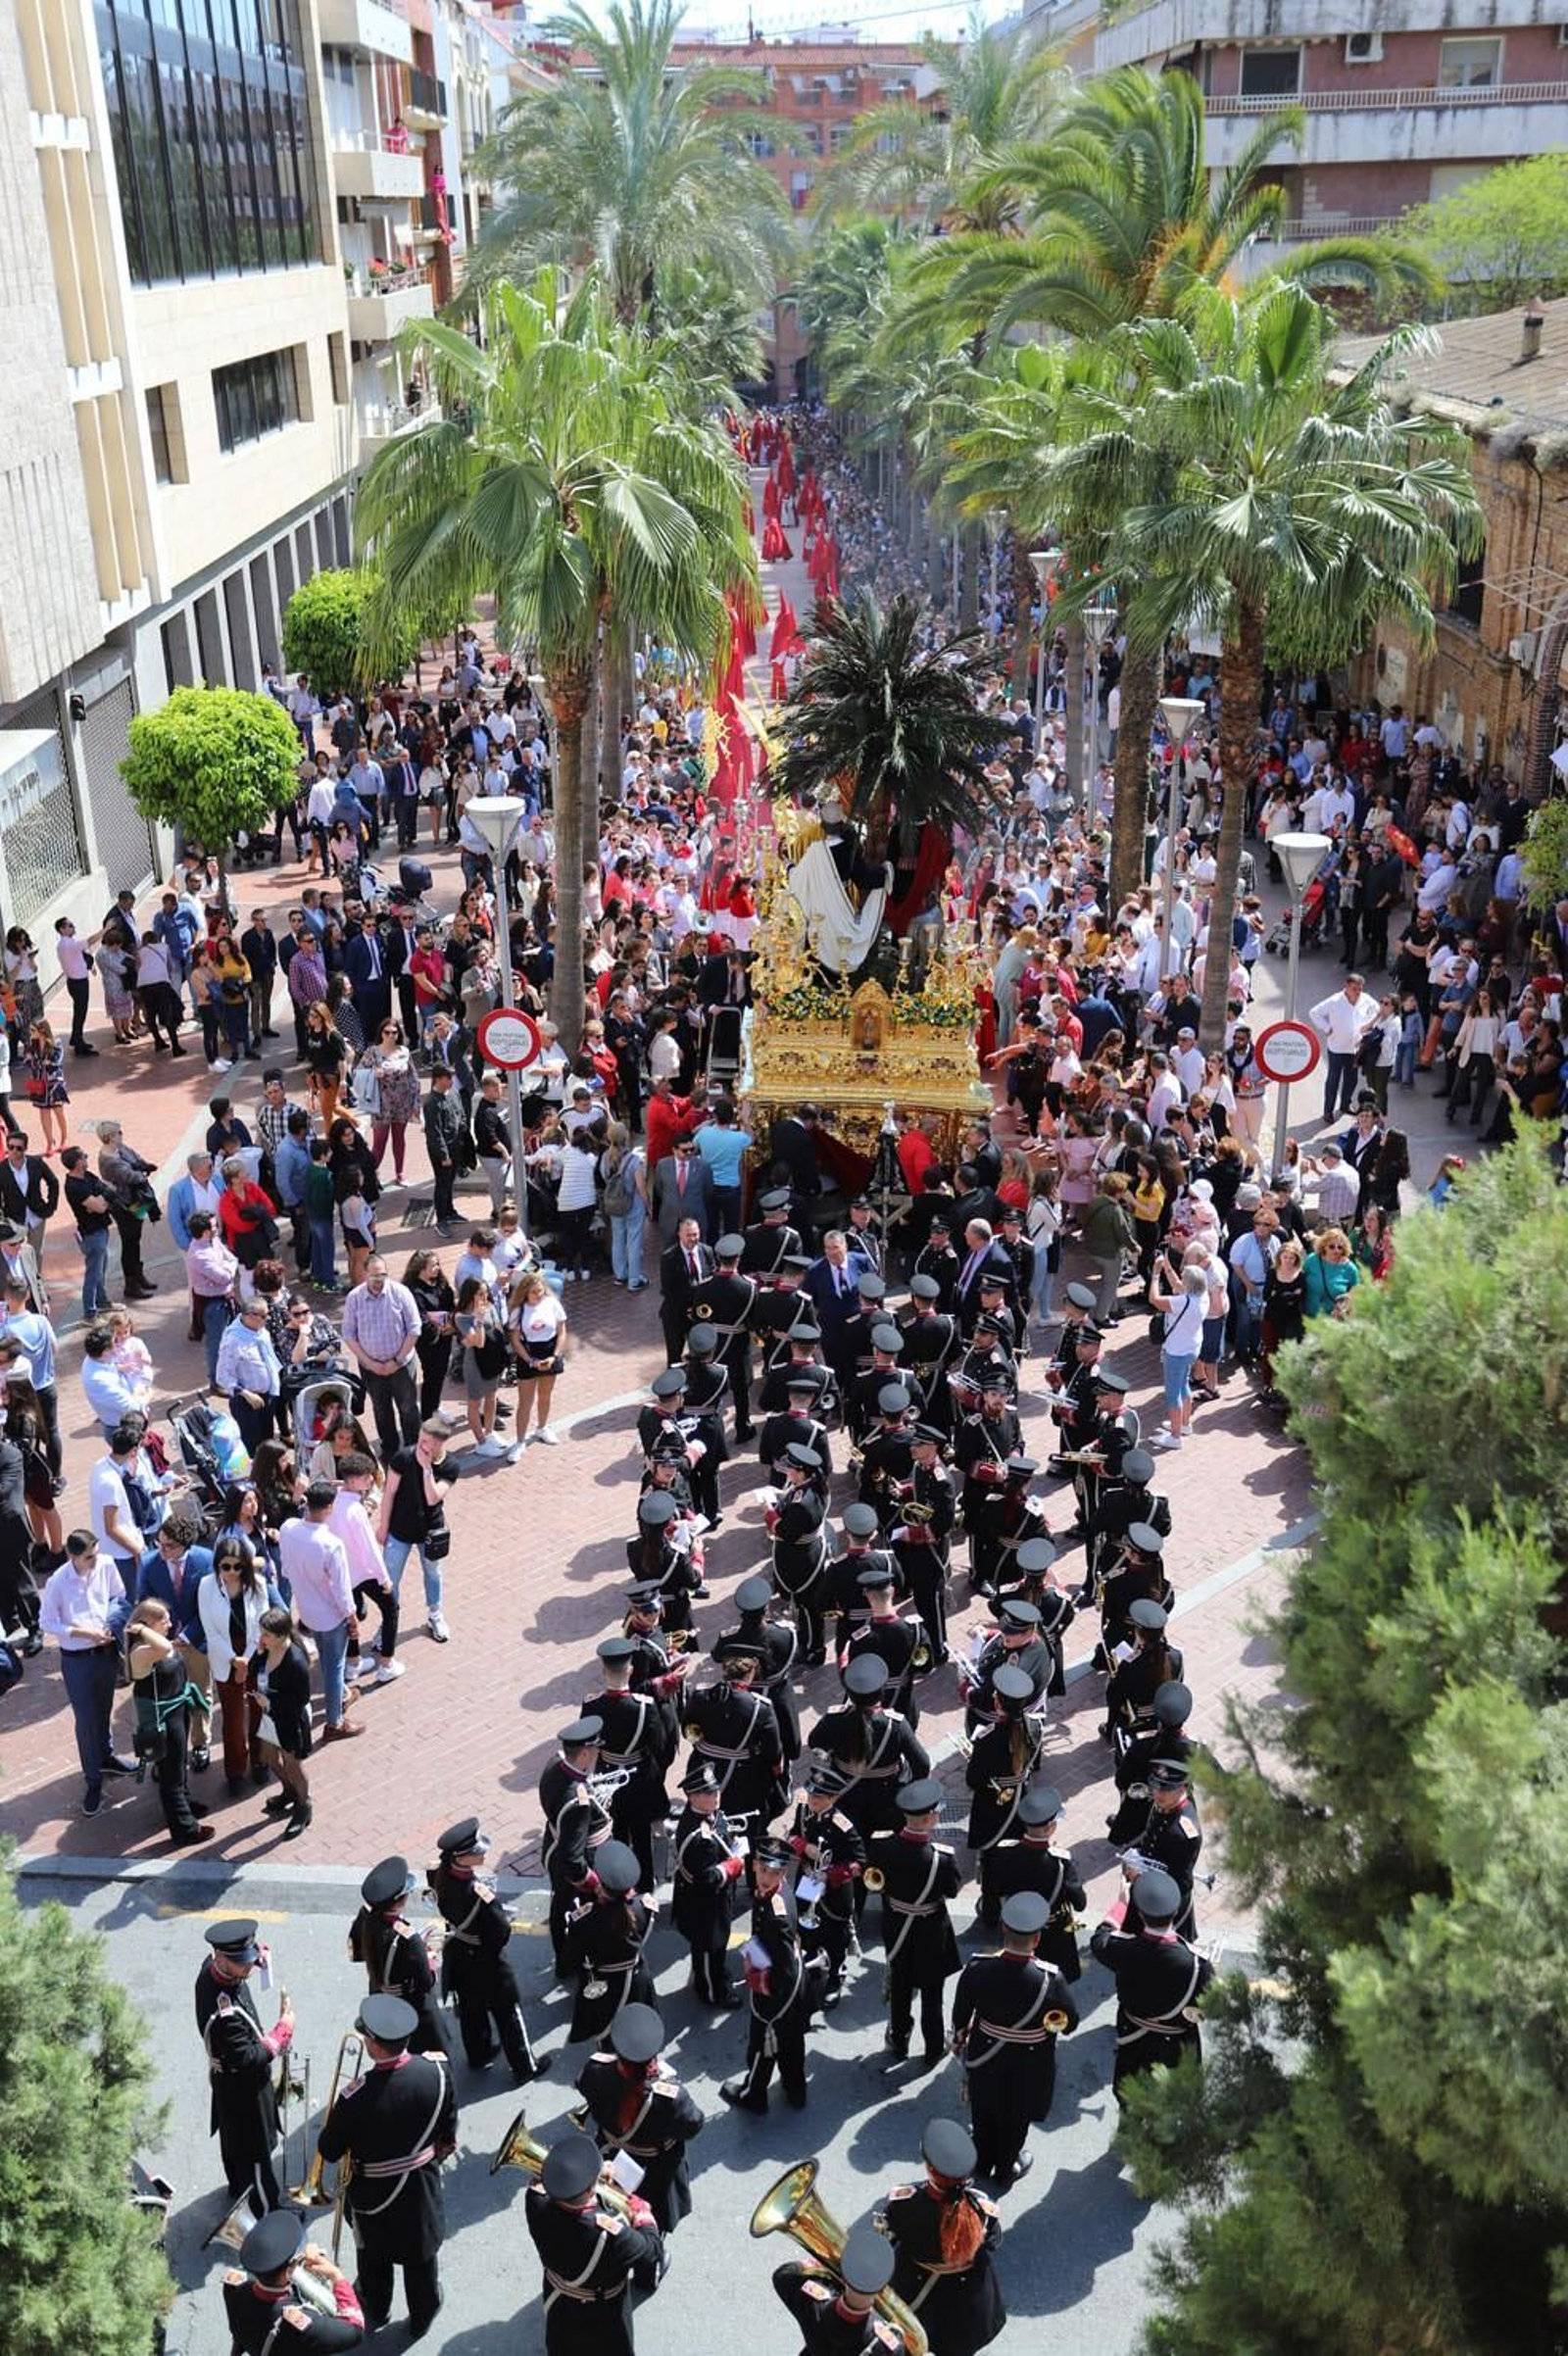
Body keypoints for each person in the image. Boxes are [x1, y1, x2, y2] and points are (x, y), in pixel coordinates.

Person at [316, 1993, 457, 2343]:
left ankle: (377, 2307)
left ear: (372, 2044)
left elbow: (329, 2150)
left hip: (372, 2197)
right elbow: (447, 2131)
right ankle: (422, 2315)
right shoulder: (437, 2072)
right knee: (421, 2260)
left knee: (373, 2255)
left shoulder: (354, 2097)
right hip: (421, 2186)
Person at [951, 1890, 1079, 2184]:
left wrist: (960, 2039)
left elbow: (960, 2016)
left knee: (982, 2108)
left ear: (1004, 1930)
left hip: (986, 2051)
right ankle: (1006, 2169)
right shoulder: (1051, 1978)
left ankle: (982, 2164)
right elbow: (1070, 2023)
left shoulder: (978, 1968)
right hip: (1030, 2060)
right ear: (1037, 1939)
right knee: (1017, 2115)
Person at [572, 2001, 704, 2247]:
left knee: (610, 2211)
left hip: (608, 2156)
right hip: (655, 2170)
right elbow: (693, 2125)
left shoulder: (595, 2068)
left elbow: (582, 2085)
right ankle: (650, 2268)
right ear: (653, 2057)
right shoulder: (671, 2097)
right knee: (651, 2224)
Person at [524, 2127, 663, 2356]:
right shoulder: (610, 2236)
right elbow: (651, 2251)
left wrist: (593, 2181)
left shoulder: (535, 2201)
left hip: (558, 2297)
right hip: (603, 2311)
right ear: (590, 2189)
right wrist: (640, 2211)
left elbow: (549, 2181)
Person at [878, 2117, 1006, 2356]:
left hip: (913, 2289)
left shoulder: (904, 2202)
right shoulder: (983, 2209)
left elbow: (890, 2231)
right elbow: (993, 2242)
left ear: (929, 2168)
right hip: (966, 2303)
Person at [194, 1916, 295, 2218]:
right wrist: (282, 2032)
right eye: (243, 1962)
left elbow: (231, 1964)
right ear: (222, 1960)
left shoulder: (211, 1971)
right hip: (244, 2088)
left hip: (225, 2082)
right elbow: (247, 2058)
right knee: (255, 2153)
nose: (249, 1966)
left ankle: (238, 2186)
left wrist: (254, 1960)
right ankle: (268, 2214)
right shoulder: (225, 2014)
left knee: (233, 2140)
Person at [428, 1816, 541, 2081]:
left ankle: (479, 2055)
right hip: (487, 1961)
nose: (482, 1854)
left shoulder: (439, 1873)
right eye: (475, 1852)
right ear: (462, 1857)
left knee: (470, 2009)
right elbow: (501, 1932)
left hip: (459, 1954)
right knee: (508, 2013)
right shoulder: (479, 1895)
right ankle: (525, 2067)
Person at [1090, 1863, 1214, 2097]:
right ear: (1176, 1912)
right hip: (1177, 2051)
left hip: (1134, 2042)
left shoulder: (1123, 1949)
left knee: (1130, 2110)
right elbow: (1207, 2009)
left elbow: (1099, 1939)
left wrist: (1120, 1905)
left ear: (1139, 1914)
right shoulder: (1198, 1964)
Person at [721, 1832, 815, 2114]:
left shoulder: (777, 1915)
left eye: (774, 1873)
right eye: (763, 1869)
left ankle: (754, 2095)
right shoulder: (778, 1891)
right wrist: (754, 1952)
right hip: (794, 1985)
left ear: (783, 1873)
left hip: (777, 1993)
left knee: (762, 2046)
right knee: (792, 2043)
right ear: (753, 1865)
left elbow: (783, 1967)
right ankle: (795, 2089)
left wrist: (760, 1980)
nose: (766, 1877)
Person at [278, 1480, 361, 1745]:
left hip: (306, 1609)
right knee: (334, 1664)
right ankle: (335, 1722)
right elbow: (342, 1588)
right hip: (331, 1615)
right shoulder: (330, 1544)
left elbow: (286, 1567)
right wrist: (352, 1616)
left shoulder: (289, 1528)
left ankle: (340, 1694)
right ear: (328, 1508)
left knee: (327, 1660)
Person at [123, 1595, 211, 1845]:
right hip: (163, 1716)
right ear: (146, 1625)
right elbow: (162, 1649)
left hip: (177, 1708)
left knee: (180, 1761)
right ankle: (184, 1828)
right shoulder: (140, 1652)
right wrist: (139, 1630)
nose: (170, 1623)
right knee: (170, 1771)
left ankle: (183, 1802)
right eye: (163, 1620)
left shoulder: (160, 1643)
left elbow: (167, 1648)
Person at [220, 2207, 365, 2351]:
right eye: (297, 2256)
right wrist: (336, 2276)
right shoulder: (302, 2326)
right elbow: (356, 2331)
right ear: (287, 2271)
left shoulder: (232, 2286)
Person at [198, 1537, 278, 1794]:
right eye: (226, 1567)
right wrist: (234, 1659)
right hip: (225, 1656)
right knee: (232, 1718)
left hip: (255, 1652)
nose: (232, 1572)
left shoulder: (259, 1585)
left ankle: (259, 1760)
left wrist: (246, 1658)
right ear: (217, 1566)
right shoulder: (206, 1587)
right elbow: (210, 1632)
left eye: (238, 1567)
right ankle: (235, 1770)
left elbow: (262, 1624)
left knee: (259, 1710)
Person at [350, 1856, 450, 2056]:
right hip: (410, 2004)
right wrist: (428, 1954)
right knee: (435, 2053)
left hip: (379, 1993)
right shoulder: (408, 1938)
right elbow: (426, 1981)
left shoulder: (366, 1918)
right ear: (398, 1901)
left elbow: (357, 1953)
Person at [377, 1418, 457, 1645]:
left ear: (440, 1444)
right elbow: (389, 1494)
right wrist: (383, 1527)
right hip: (399, 1530)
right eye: (421, 1439)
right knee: (390, 1579)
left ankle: (435, 1614)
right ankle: (387, 1622)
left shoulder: (450, 1466)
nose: (420, 1445)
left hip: (430, 1531)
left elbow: (433, 1497)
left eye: (426, 1442)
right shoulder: (402, 1458)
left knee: (433, 1573)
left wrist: (426, 1470)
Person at [772, 2221, 903, 2356]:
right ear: (882, 2288)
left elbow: (784, 2274)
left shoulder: (813, 2302)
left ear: (844, 2276)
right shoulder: (889, 2347)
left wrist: (828, 2266)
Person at [342, 1254, 422, 1459]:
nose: (380, 1279)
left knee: (408, 1408)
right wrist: (370, 1363)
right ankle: (390, 1450)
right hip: (372, 1369)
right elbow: (349, 1335)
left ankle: (414, 1448)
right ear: (365, 1273)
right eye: (375, 1275)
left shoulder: (400, 1293)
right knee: (381, 1409)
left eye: (383, 1274)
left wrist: (396, 1361)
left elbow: (414, 1328)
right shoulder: (354, 1298)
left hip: (401, 1365)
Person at [254, 1604, 314, 1835]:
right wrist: (258, 1654)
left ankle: (304, 1804)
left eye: (266, 1635)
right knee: (268, 1756)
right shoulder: (266, 1650)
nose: (262, 1638)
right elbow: (253, 1671)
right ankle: (289, 1791)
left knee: (293, 1765)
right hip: (270, 1717)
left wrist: (270, 1703)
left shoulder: (295, 1662)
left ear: (281, 1636)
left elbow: (301, 1698)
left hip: (290, 1720)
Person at [508, 1266, 567, 1447]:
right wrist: (528, 1360)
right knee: (525, 1402)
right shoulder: (519, 1311)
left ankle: (542, 1427)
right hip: (528, 1354)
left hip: (549, 1352)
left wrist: (554, 1356)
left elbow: (562, 1331)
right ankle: (519, 1442)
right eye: (534, 1292)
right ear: (526, 1292)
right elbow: (515, 1339)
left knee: (545, 1396)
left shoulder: (552, 1304)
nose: (538, 1295)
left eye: (540, 1291)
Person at [62, 1145, 114, 1319]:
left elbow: (106, 1191)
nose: (87, 1158)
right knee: (93, 1273)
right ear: (77, 1162)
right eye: (84, 1156)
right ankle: (90, 1313)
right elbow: (100, 1206)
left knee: (101, 1268)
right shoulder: (74, 1186)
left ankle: (102, 1301)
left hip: (101, 1229)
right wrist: (102, 1200)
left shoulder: (88, 1176)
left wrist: (101, 1199)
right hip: (92, 1234)